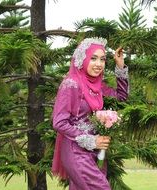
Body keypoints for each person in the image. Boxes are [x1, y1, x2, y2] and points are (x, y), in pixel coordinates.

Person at [51, 37, 129, 190]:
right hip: (76, 151)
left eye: (102, 59)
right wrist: (91, 140)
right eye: (93, 58)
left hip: (96, 151)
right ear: (83, 59)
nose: (99, 64)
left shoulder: (97, 86)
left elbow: (121, 97)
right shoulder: (71, 84)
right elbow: (59, 122)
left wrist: (120, 67)